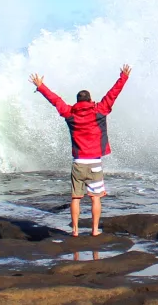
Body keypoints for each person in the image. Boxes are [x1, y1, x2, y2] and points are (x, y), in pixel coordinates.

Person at [29, 64, 131, 237]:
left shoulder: (70, 113)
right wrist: (123, 77)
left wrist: (40, 86)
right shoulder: (99, 110)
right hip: (95, 163)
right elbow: (112, 94)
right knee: (95, 197)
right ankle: (94, 230)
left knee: (76, 198)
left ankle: (75, 230)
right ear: (90, 100)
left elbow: (56, 100)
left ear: (77, 101)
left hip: (78, 164)